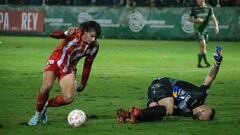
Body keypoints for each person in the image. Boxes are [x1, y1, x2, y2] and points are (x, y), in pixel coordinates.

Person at [117, 46, 223, 124]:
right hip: (164, 85)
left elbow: (167, 113)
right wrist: (217, 64)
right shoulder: (200, 95)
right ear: (203, 110)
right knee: (168, 109)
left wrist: (158, 112)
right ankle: (135, 113)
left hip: (154, 91)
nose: (198, 119)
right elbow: (210, 78)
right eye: (202, 118)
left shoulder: (187, 113)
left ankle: (127, 114)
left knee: (156, 114)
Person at [28, 21, 101, 126]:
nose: (93, 39)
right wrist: (65, 33)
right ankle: (37, 115)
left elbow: (87, 66)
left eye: (96, 37)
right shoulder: (76, 33)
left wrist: (83, 83)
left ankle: (45, 105)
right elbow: (53, 34)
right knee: (45, 87)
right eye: (92, 36)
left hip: (68, 68)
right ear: (85, 32)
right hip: (56, 60)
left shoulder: (94, 47)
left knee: (68, 98)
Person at [188, 0, 219, 68]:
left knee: (202, 47)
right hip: (198, 29)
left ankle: (199, 64)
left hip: (205, 30)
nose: (196, 1)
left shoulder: (209, 8)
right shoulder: (194, 8)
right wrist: (196, 20)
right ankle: (205, 62)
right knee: (203, 44)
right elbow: (189, 19)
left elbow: (213, 18)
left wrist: (216, 26)